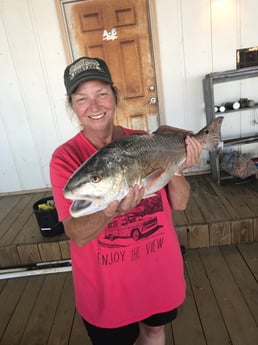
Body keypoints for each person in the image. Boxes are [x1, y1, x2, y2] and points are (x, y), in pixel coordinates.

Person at [50, 56, 202, 345]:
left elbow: (180, 203)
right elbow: (76, 234)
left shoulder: (144, 140)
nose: (94, 107)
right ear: (72, 106)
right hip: (108, 290)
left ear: (115, 96)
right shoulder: (64, 159)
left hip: (158, 274)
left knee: (155, 331)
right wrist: (110, 213)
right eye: (82, 99)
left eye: (102, 95)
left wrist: (178, 165)